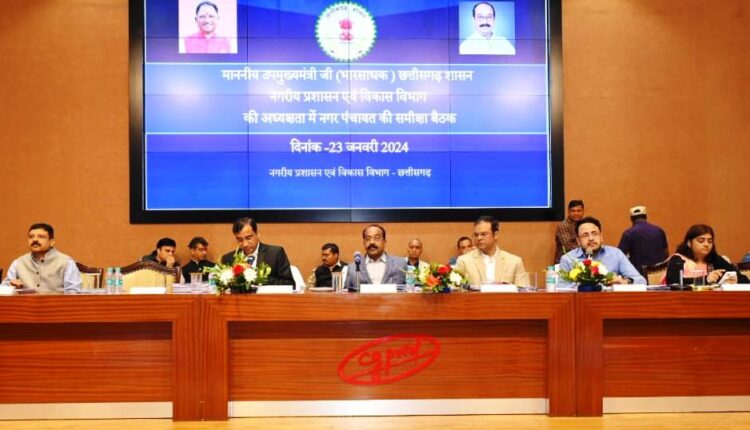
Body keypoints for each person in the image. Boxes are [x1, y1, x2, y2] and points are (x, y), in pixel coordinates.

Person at [559, 216, 646, 289]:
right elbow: (561, 287)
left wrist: (625, 282)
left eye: (595, 234)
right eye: (585, 235)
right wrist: (584, 285)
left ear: (601, 237)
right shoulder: (568, 259)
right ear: (578, 241)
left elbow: (641, 281)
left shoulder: (616, 254)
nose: (591, 238)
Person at [1, 223, 81, 294]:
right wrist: (13, 289)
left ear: (51, 242)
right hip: (25, 305)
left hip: (56, 305)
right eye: (31, 237)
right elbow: (4, 290)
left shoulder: (66, 262)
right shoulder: (18, 263)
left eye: (41, 237)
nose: (34, 239)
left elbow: (73, 293)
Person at [456, 216, 529, 286]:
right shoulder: (463, 261)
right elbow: (454, 289)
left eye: (483, 234)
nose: (479, 238)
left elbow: (523, 291)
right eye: (476, 235)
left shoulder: (514, 262)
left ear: (495, 235)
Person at [665, 224, 748, 285]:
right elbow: (673, 282)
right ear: (689, 243)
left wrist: (736, 280)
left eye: (709, 241)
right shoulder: (678, 259)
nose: (706, 244)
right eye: (701, 241)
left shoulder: (716, 260)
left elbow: (745, 280)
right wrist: (706, 280)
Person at [220, 217, 294, 285]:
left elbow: (289, 284)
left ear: (258, 234)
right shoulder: (228, 259)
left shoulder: (275, 254)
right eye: (240, 240)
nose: (245, 244)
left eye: (248, 238)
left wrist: (257, 277)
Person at [345, 225, 406, 290]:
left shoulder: (400, 264)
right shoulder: (353, 267)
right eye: (368, 238)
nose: (372, 242)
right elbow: (345, 293)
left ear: (384, 242)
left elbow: (410, 290)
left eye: (376, 238)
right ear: (364, 242)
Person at [617, 206, 669, 273]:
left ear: (631, 219)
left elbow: (620, 256)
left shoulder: (628, 233)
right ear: (646, 217)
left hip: (639, 274)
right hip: (659, 273)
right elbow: (666, 253)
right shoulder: (659, 230)